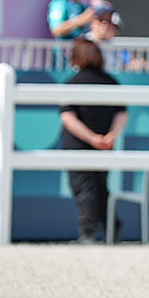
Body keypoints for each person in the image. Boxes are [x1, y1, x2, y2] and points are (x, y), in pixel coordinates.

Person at [59, 37, 128, 244]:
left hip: (78, 146)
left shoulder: (72, 83)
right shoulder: (111, 82)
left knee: (84, 189)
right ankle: (112, 230)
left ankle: (87, 234)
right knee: (101, 189)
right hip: (105, 146)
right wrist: (109, 138)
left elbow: (68, 117)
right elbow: (121, 114)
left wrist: (92, 139)